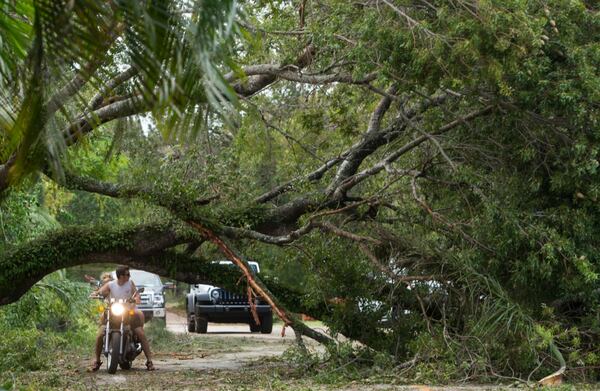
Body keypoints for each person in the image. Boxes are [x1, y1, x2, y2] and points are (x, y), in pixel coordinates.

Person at [89, 265, 155, 371]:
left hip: (128, 313)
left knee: (140, 333)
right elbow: (101, 291)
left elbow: (136, 295)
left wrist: (136, 299)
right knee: (100, 334)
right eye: (127, 274)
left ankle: (149, 361)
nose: (129, 276)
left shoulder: (130, 284)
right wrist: (96, 294)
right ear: (120, 276)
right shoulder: (111, 284)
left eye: (129, 274)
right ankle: (97, 360)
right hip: (113, 313)